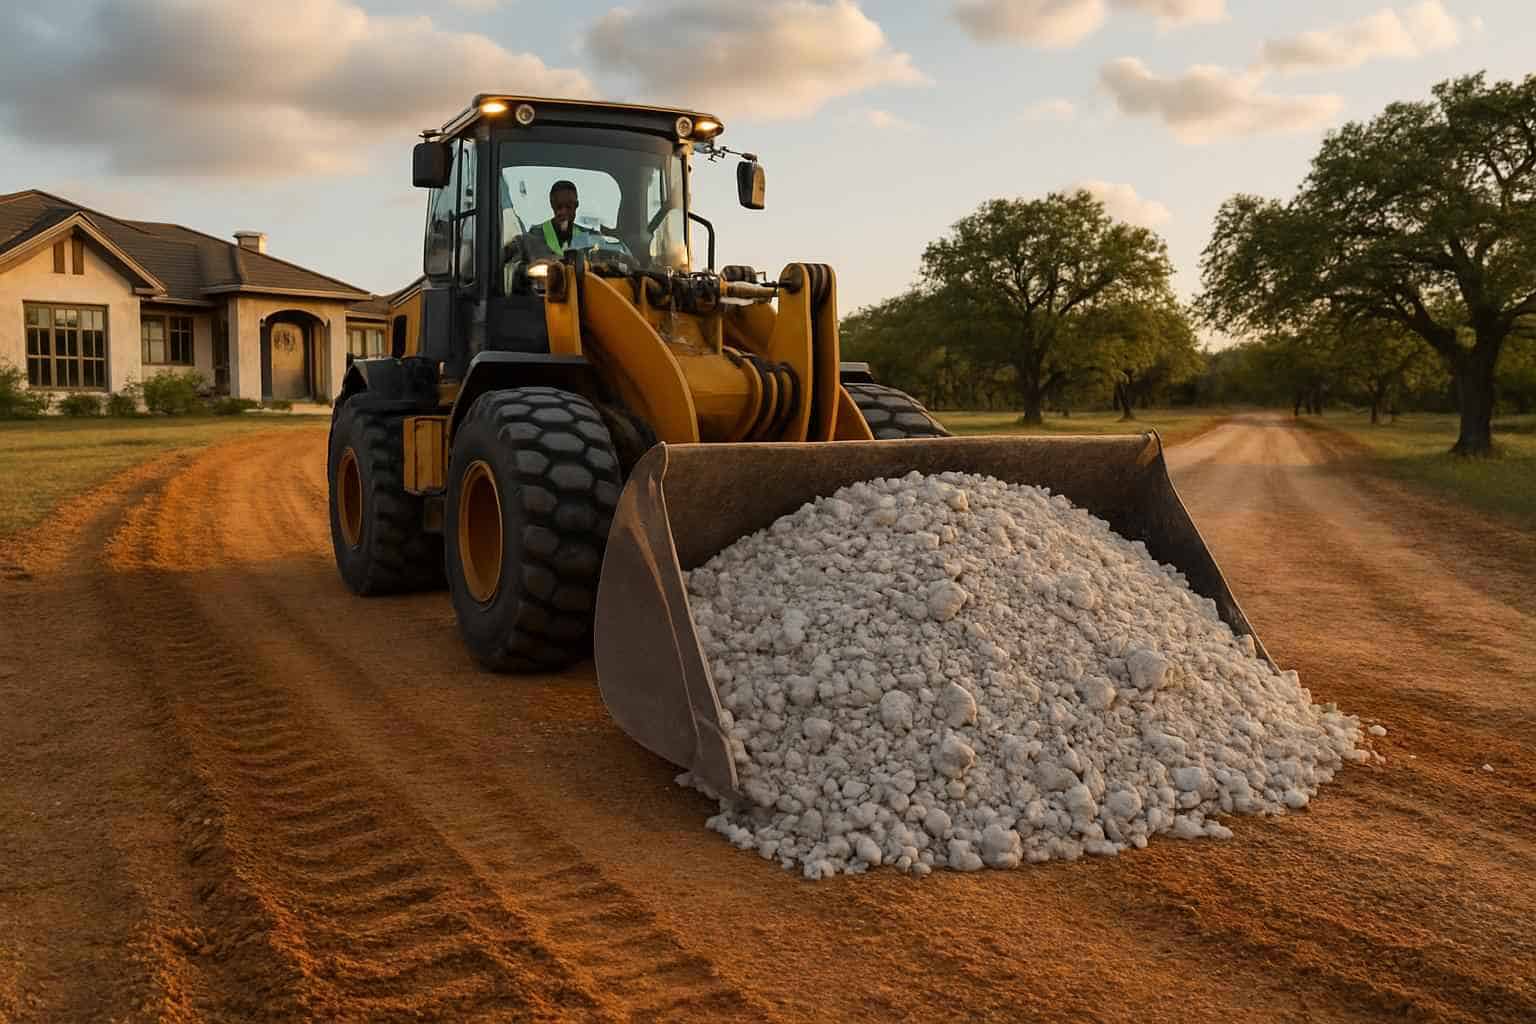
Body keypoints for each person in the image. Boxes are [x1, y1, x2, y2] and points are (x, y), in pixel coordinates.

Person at [527, 180, 597, 259]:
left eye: (568, 206)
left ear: (576, 205)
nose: (563, 212)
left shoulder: (589, 237)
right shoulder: (534, 236)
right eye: (559, 206)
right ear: (552, 205)